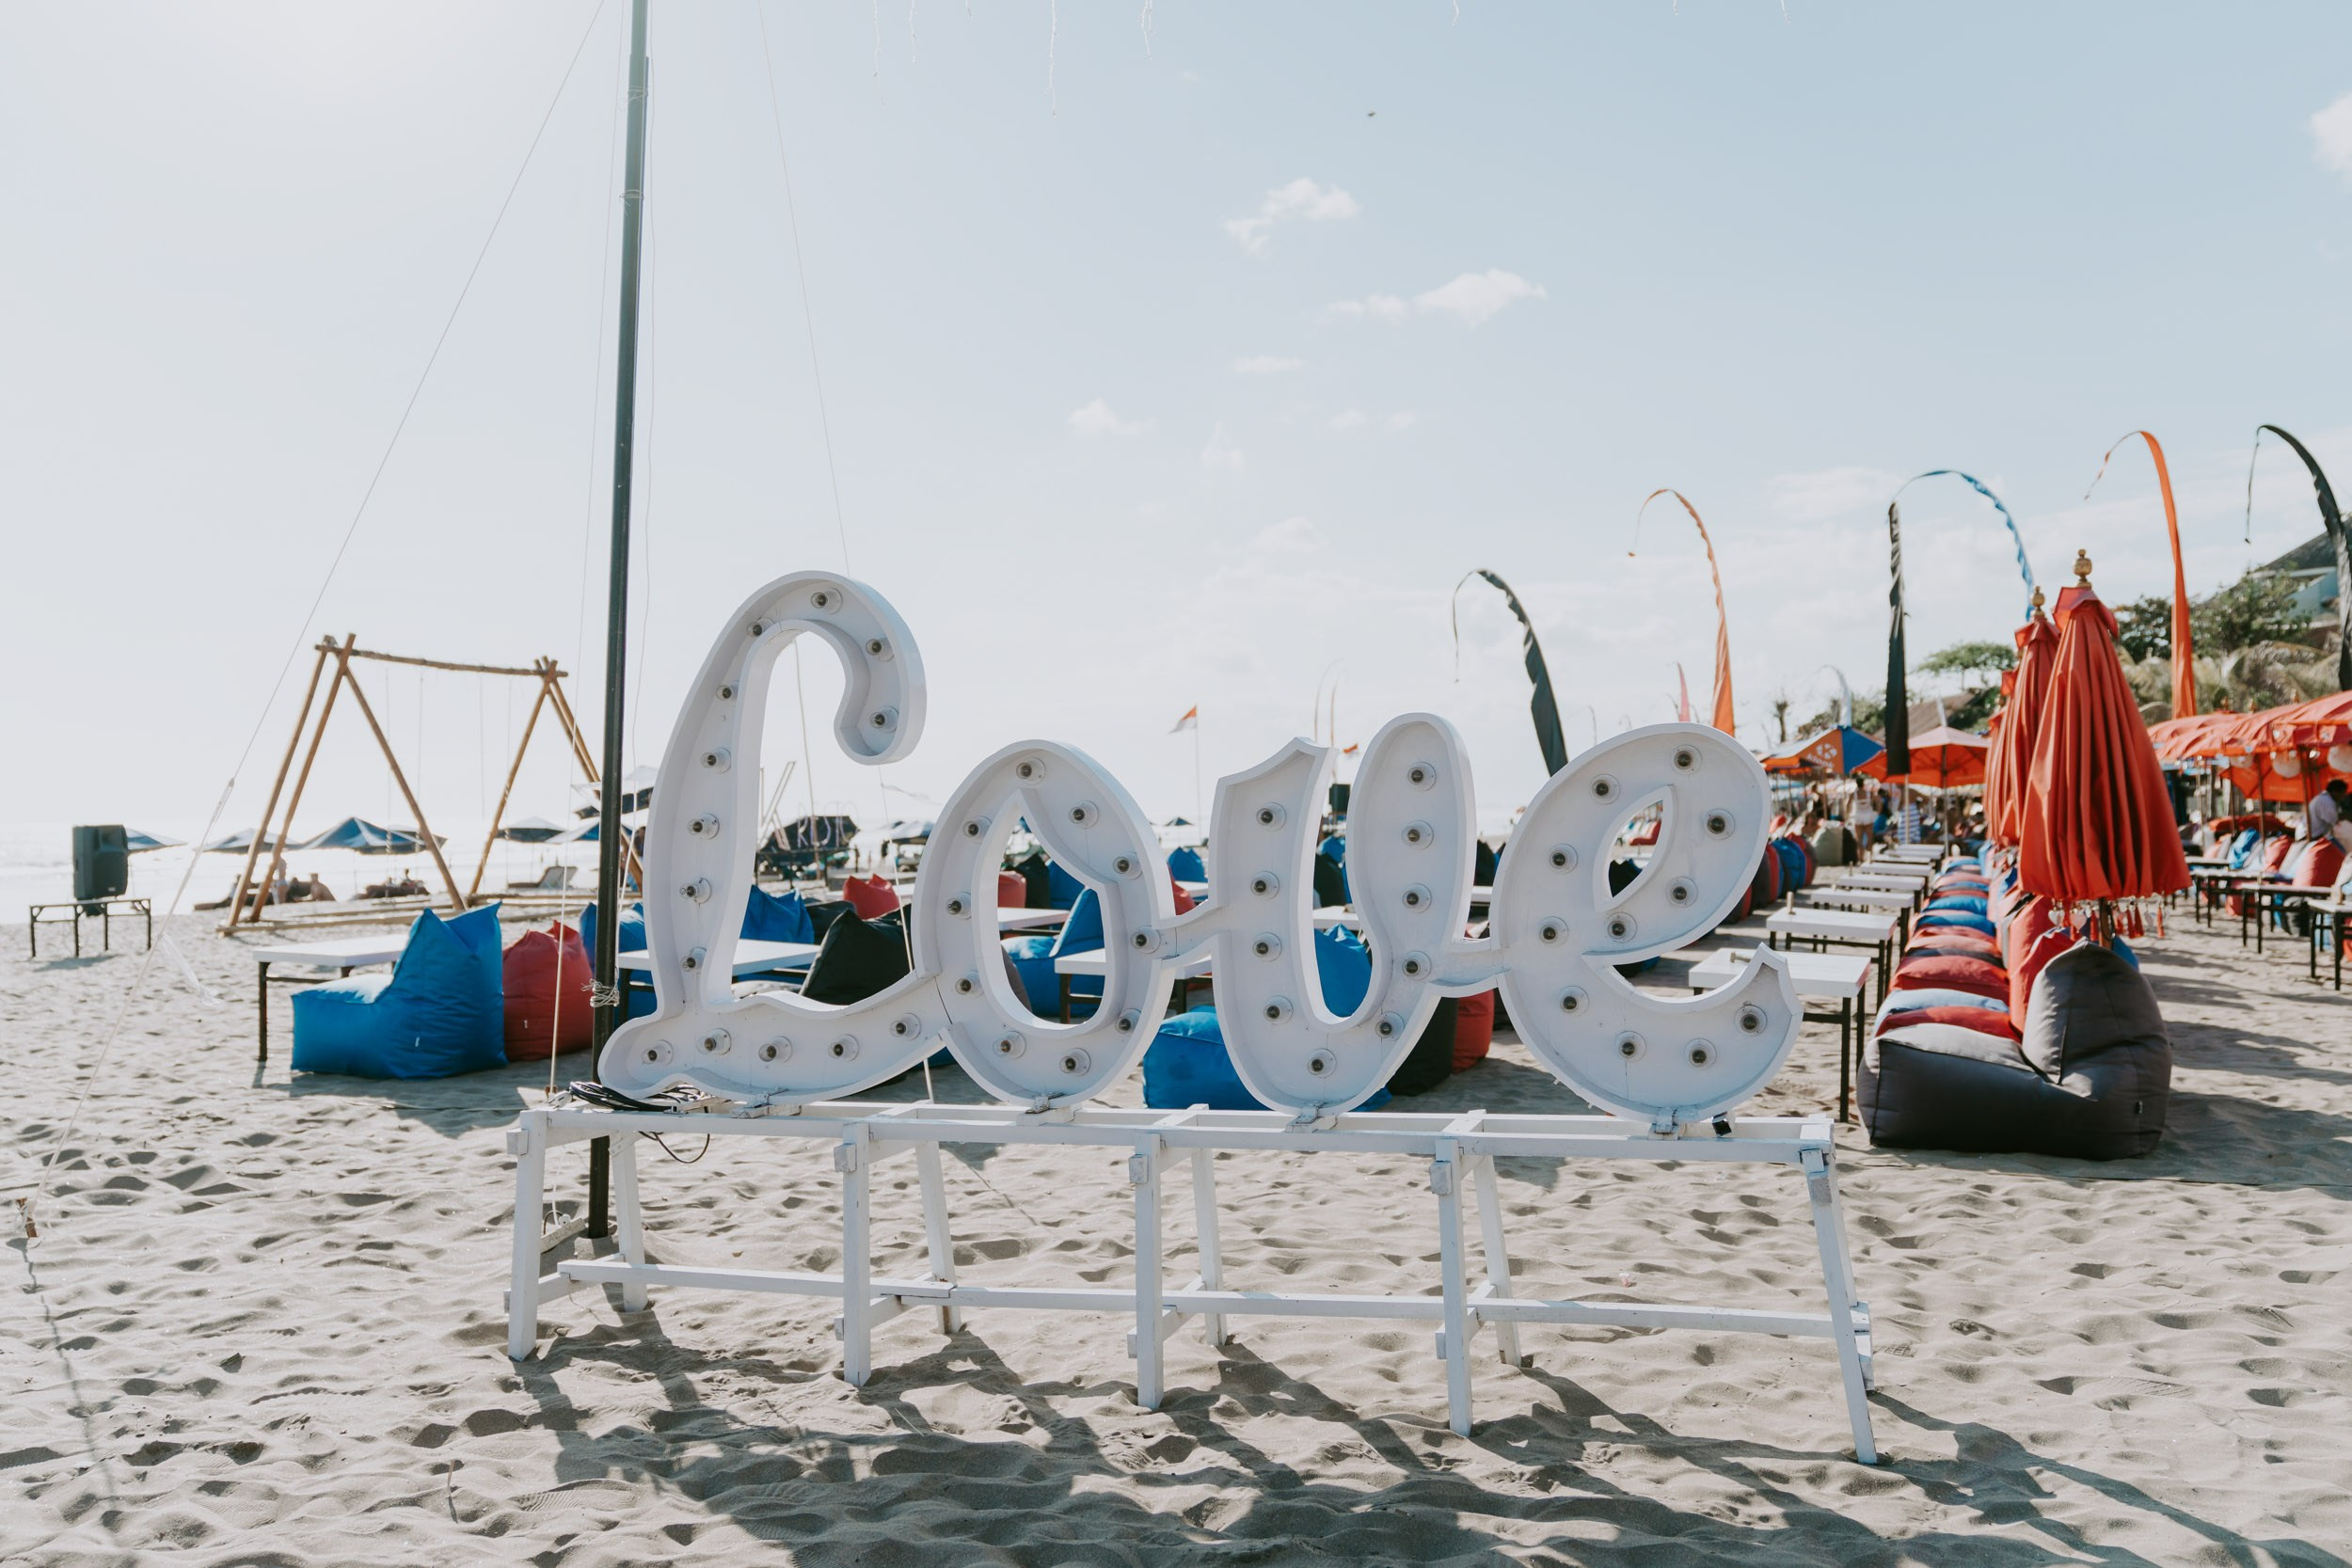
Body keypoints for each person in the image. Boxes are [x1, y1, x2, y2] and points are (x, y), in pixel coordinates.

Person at [2309, 779, 2350, 849]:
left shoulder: (2325, 798)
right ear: (2335, 792)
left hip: (2317, 834)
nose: (2344, 795)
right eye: (2343, 793)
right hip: (2315, 836)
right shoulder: (2326, 801)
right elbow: (2334, 820)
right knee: (2341, 852)